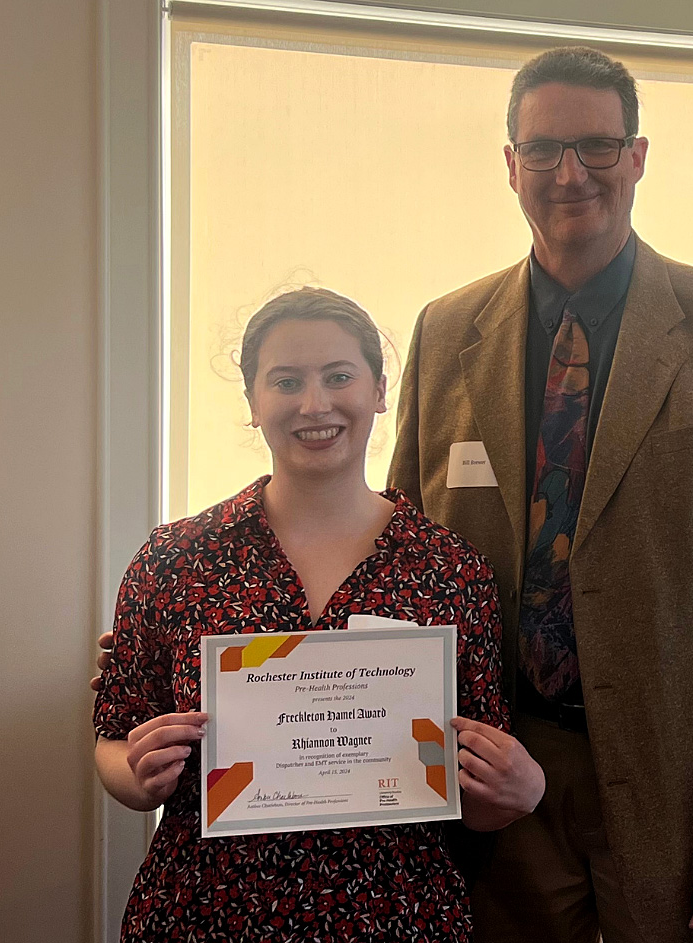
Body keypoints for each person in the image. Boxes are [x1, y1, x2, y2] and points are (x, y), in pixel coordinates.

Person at [386, 46, 693, 943]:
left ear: (637, 156)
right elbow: (397, 554)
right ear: (510, 164)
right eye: (543, 149)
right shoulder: (444, 330)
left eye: (596, 145)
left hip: (683, 785)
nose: (570, 172)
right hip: (495, 777)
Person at [93, 287, 545, 942]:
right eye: (286, 381)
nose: (314, 404)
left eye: (338, 376)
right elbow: (114, 731)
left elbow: (473, 792)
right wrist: (133, 777)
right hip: (210, 911)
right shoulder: (173, 559)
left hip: (397, 913)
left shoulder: (450, 570)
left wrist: (519, 788)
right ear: (253, 400)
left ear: (379, 390)